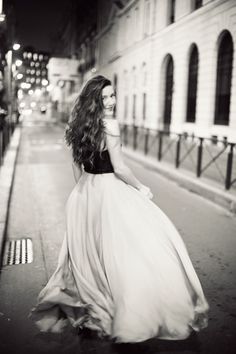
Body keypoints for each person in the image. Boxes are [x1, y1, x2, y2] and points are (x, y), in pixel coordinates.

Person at [31, 75, 209, 343]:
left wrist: (85, 192)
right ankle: (127, 310)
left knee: (91, 256)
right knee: (128, 252)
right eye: (105, 97)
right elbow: (121, 167)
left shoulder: (80, 124)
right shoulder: (110, 125)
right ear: (95, 101)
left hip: (83, 194)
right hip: (109, 190)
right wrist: (141, 188)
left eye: (113, 95)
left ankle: (95, 305)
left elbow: (76, 165)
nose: (111, 101)